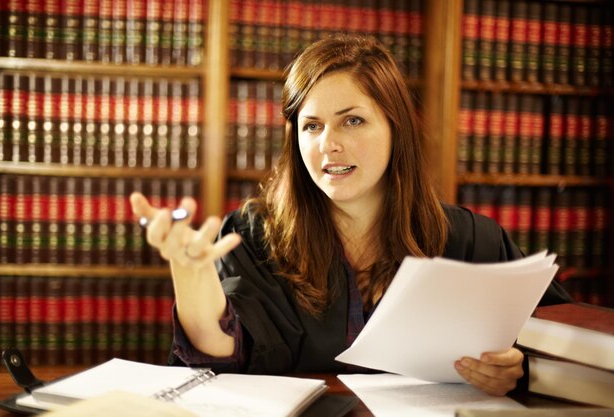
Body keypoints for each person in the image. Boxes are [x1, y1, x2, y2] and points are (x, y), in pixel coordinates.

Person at [130, 34, 571, 397]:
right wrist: (189, 274)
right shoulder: (251, 235)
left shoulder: (471, 239)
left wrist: (522, 367)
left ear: (395, 126)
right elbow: (224, 353)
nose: (328, 145)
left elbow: (564, 345)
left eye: (353, 121)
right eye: (312, 125)